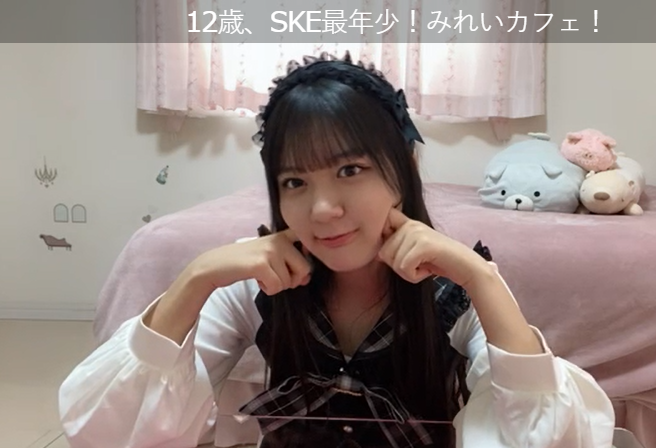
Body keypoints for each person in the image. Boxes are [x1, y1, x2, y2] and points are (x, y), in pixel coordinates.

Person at [58, 51, 615, 448]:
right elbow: (117, 433)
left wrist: (484, 279)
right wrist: (195, 277)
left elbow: (546, 435)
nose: (322, 208)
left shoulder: (453, 285)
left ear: (403, 170)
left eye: (350, 170)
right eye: (294, 181)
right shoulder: (258, 281)